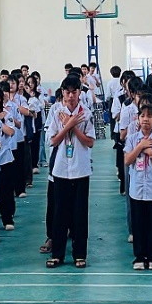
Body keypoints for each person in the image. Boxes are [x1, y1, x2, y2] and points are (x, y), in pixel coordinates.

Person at [46, 76, 96, 269]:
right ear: (63, 93)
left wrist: (73, 126)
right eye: (67, 92)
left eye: (74, 92)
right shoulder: (57, 113)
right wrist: (66, 125)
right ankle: (57, 254)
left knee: (80, 214)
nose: (71, 96)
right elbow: (53, 141)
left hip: (81, 169)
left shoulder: (86, 114)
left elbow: (90, 142)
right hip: (60, 169)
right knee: (59, 213)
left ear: (79, 93)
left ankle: (79, 254)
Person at [124, 104, 152, 270]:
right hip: (137, 189)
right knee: (138, 224)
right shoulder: (132, 139)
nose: (146, 120)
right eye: (143, 116)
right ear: (138, 118)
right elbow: (127, 160)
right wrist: (140, 147)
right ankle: (139, 257)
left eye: (149, 116)